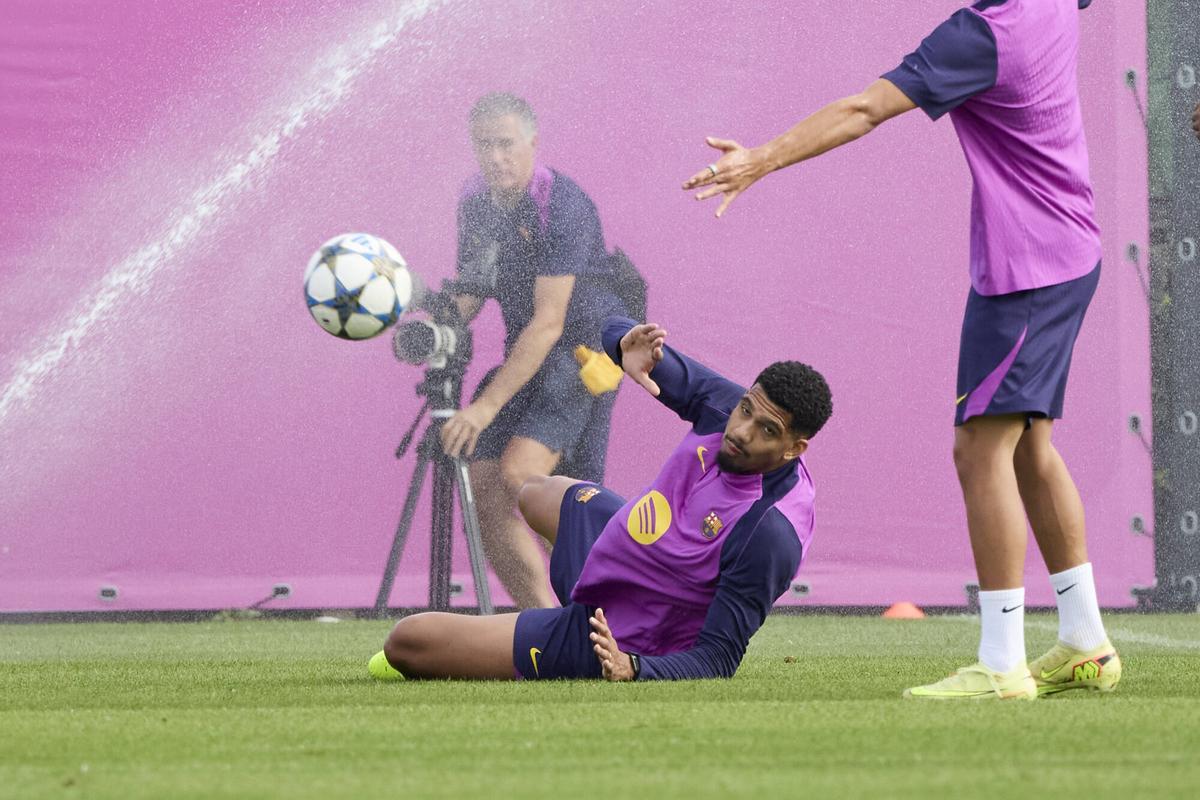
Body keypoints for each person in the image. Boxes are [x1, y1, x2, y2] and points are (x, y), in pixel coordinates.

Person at [683, 0, 1119, 700]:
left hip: (1028, 274)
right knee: (1030, 447)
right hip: (1066, 252)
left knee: (980, 450)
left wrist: (759, 160)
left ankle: (1003, 665)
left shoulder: (982, 34)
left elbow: (864, 110)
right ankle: (1085, 641)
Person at [367, 316, 833, 681]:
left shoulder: (771, 533)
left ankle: (554, 636)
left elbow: (719, 657)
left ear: (795, 448)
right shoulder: (727, 406)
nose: (741, 431)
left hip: (620, 635)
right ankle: (558, 612)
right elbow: (617, 329)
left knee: (407, 641)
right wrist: (623, 345)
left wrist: (635, 667)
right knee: (536, 492)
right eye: (746, 409)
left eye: (766, 430)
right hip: (628, 549)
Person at [440, 92, 628, 609]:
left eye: (505, 144)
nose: (494, 157)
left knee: (523, 473)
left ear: (532, 143)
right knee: (482, 485)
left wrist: (482, 407)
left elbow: (549, 323)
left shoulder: (561, 203)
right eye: (484, 145)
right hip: (529, 356)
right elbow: (471, 290)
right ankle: (544, 624)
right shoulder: (475, 199)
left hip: (584, 354)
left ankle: (606, 602)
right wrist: (421, 312)